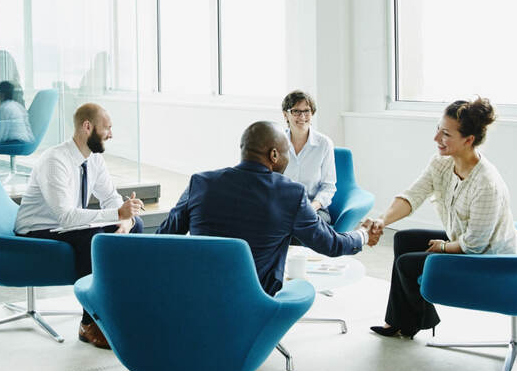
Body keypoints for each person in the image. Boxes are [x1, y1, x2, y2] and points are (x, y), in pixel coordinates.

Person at [159, 121, 381, 296]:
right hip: (256, 300)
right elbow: (331, 244)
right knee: (301, 287)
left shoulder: (200, 182)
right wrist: (362, 234)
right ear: (274, 155)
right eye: (286, 153)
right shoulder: (290, 193)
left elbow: (163, 238)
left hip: (199, 293)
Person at [365, 96, 517, 339]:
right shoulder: (442, 163)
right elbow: (413, 195)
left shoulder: (486, 184)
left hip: (490, 259)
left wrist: (444, 246)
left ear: (468, 140)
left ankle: (419, 320)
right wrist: (382, 221)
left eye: (446, 134)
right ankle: (401, 322)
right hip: (467, 243)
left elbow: (476, 245)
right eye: (438, 130)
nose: (437, 139)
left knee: (407, 264)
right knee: (404, 241)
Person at [13, 103, 144, 348]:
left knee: (136, 226)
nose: (111, 135)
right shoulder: (55, 161)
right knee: (92, 238)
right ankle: (89, 323)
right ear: (87, 127)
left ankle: (116, 312)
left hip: (68, 226)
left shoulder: (93, 159)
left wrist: (125, 221)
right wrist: (117, 213)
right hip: (38, 228)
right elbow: (65, 217)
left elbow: (110, 197)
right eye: (107, 128)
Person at [280, 90, 338, 230]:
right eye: (296, 111)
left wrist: (311, 208)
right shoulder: (277, 141)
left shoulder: (324, 144)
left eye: (307, 111)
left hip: (314, 208)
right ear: (286, 114)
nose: (302, 116)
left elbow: (328, 187)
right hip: (282, 207)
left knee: (302, 227)